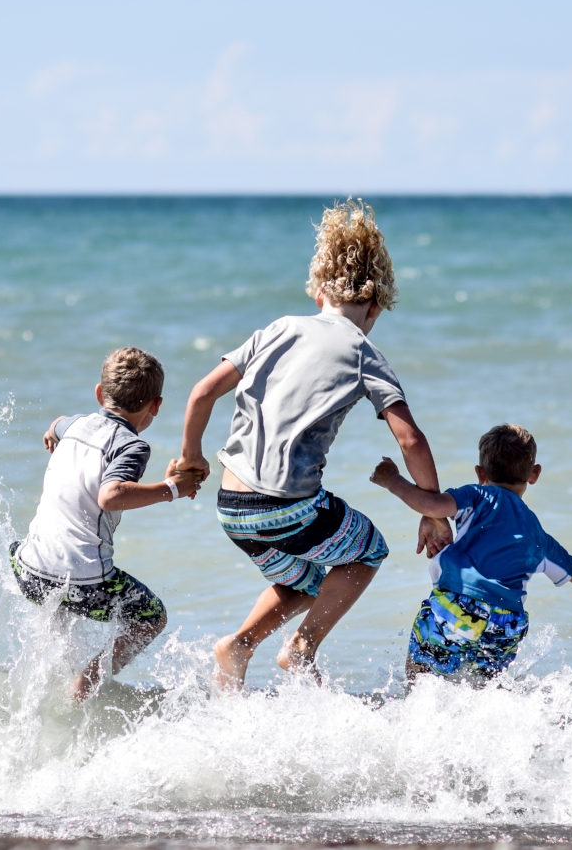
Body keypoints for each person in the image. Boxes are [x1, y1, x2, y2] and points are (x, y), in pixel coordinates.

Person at [176, 199, 452, 691]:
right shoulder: (364, 350)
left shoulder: (277, 328)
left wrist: (192, 457)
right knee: (366, 550)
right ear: (374, 307)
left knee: (306, 581)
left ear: (319, 291)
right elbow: (410, 438)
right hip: (286, 506)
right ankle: (301, 648)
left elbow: (200, 392)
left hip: (231, 506)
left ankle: (237, 646)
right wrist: (432, 509)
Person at [372, 423, 572, 682]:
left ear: (480, 473)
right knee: (484, 694)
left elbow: (430, 505)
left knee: (419, 682)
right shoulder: (538, 536)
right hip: (505, 624)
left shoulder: (477, 496)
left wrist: (392, 479)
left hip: (456, 606)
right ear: (534, 474)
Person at [10, 347, 203, 701]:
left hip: (27, 570)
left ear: (100, 394)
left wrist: (53, 431)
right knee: (151, 617)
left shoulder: (76, 425)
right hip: (82, 581)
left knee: (54, 586)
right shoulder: (131, 446)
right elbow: (111, 496)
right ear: (155, 406)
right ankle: (86, 683)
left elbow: (58, 423)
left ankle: (50, 675)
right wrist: (173, 488)